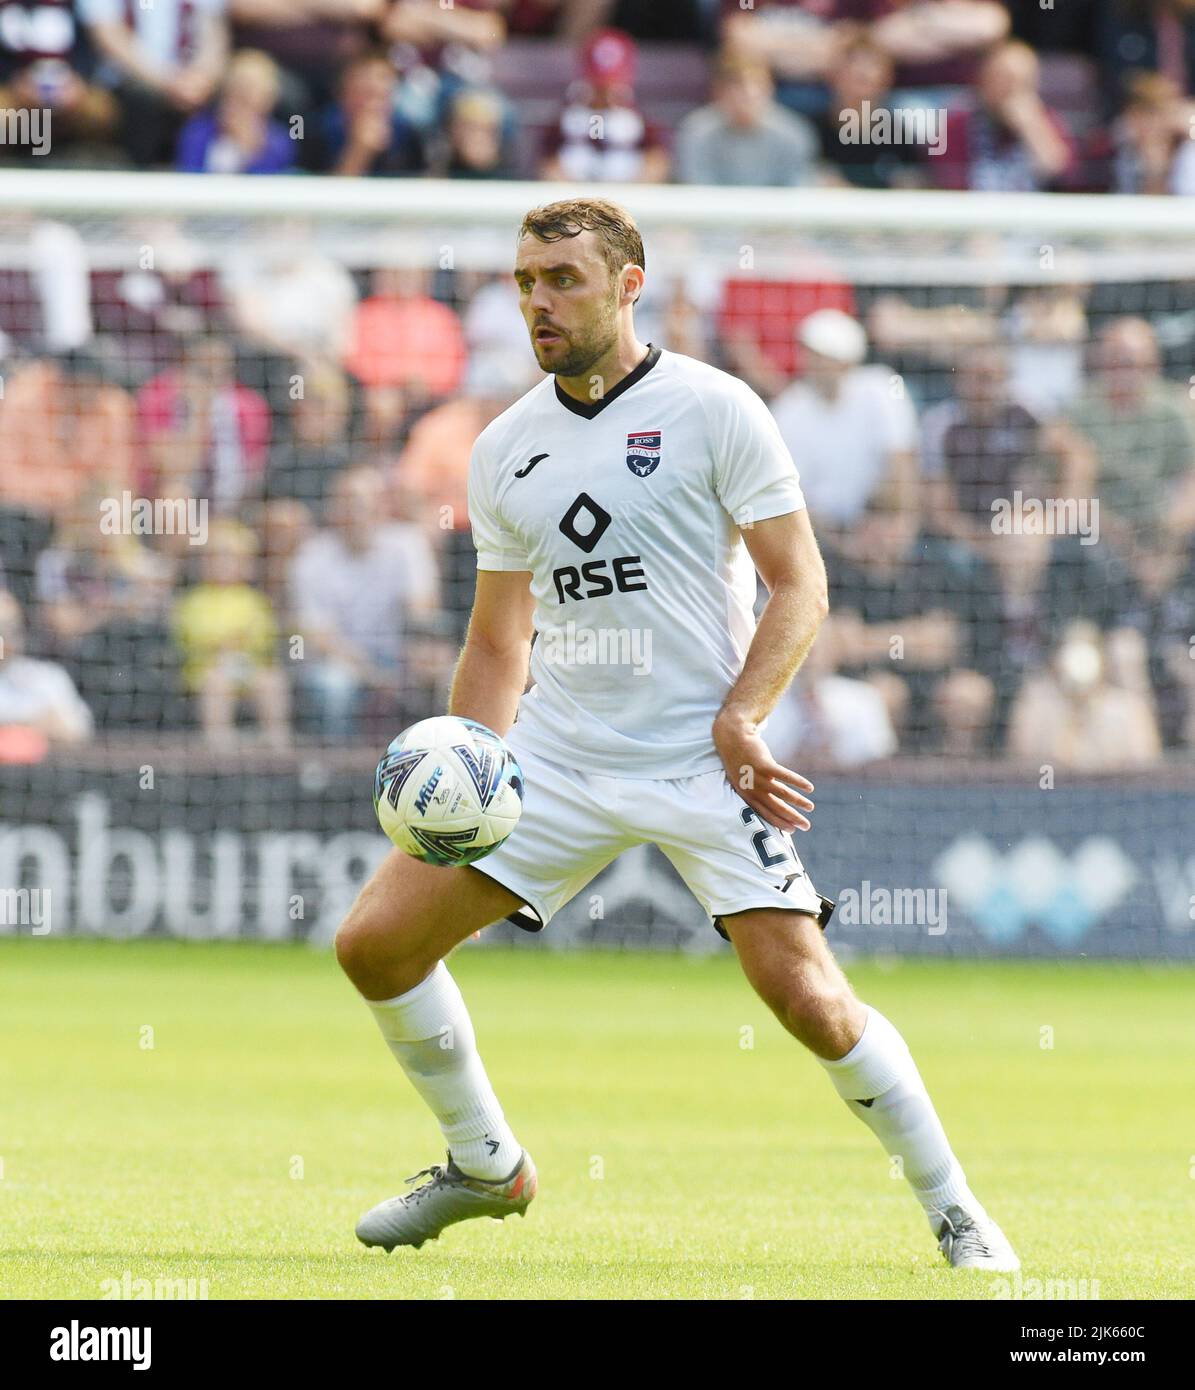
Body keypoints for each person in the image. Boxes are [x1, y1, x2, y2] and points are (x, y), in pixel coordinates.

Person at [334, 197, 1020, 1271]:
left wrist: (742, 715)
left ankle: (951, 1204)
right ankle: (484, 1161)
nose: (538, 301)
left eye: (561, 278)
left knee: (807, 999)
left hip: (701, 757)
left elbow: (802, 586)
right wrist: (471, 768)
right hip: (557, 758)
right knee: (373, 944)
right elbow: (498, 637)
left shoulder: (715, 408)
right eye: (523, 281)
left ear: (626, 282)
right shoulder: (505, 445)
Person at [770, 309, 919, 542]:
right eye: (810, 354)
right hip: (820, 535)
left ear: (846, 363)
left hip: (879, 521)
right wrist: (841, 543)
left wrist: (898, 525)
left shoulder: (879, 387)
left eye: (824, 356)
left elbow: (901, 465)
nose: (814, 363)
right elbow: (788, 498)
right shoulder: (788, 408)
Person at [172, 519, 290, 747]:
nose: (222, 564)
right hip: (207, 668)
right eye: (215, 557)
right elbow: (190, 635)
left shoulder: (254, 600)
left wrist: (242, 643)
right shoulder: (194, 600)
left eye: (230, 557)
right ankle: (220, 745)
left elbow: (265, 636)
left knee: (271, 681)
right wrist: (222, 643)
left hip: (248, 665)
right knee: (218, 685)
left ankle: (277, 743)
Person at [673, 52, 819, 187]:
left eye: (756, 87)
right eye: (737, 87)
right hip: (711, 213)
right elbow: (695, 187)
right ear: (719, 91)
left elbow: (796, 188)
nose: (748, 95)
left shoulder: (793, 132)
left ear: (770, 89)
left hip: (775, 214)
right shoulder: (695, 131)